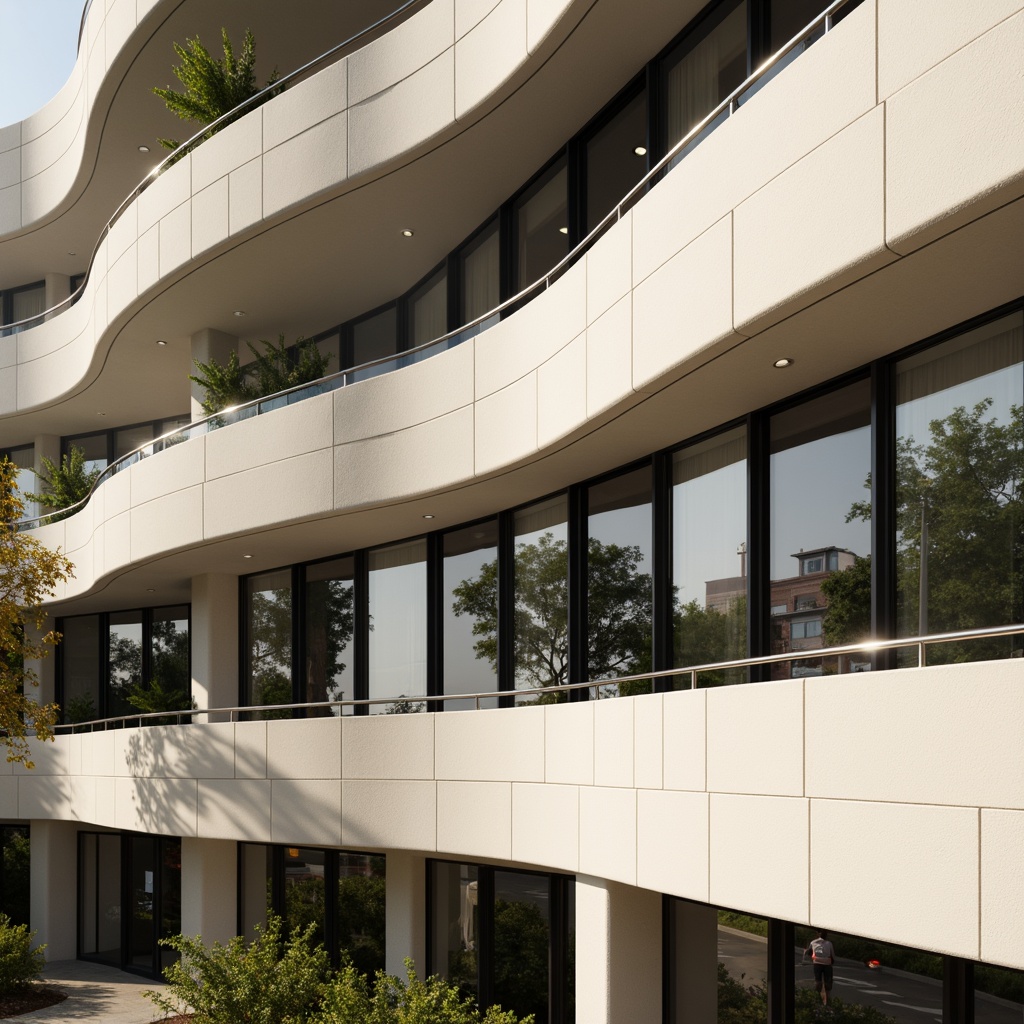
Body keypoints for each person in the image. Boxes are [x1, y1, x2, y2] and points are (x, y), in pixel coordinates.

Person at [805, 928, 836, 1007]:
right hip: (827, 964)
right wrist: (832, 962)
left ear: (818, 934)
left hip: (817, 964)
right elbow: (832, 955)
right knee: (828, 983)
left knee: (818, 982)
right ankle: (828, 1001)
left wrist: (813, 957)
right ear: (826, 935)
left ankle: (818, 1000)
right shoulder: (829, 943)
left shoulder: (813, 942)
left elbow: (808, 953)